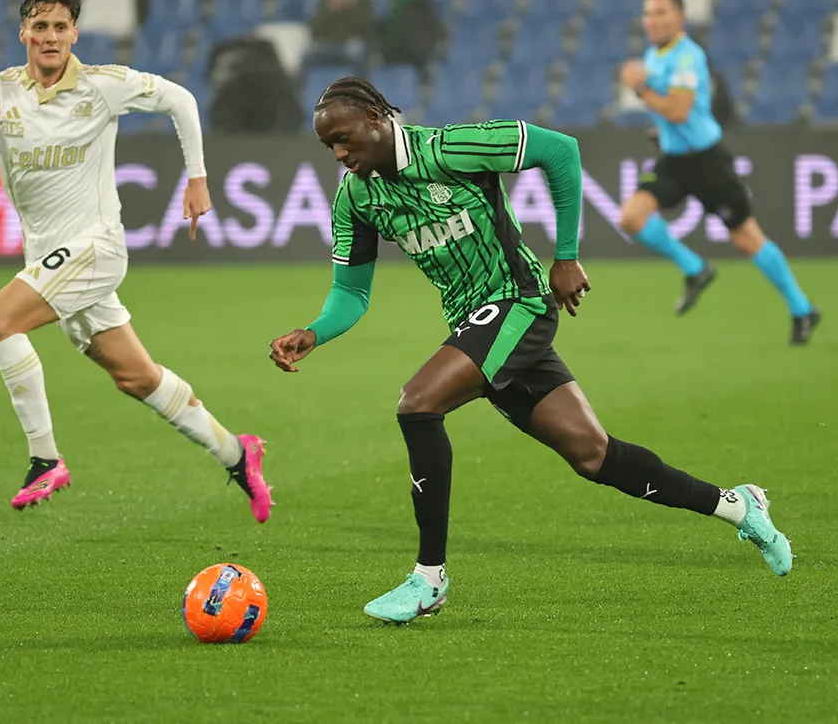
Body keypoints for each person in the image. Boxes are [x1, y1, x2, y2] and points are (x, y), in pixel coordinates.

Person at [268, 77, 793, 623]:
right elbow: (351, 293)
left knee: (417, 403)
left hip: (516, 304)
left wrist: (565, 255)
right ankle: (739, 507)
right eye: (329, 146)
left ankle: (429, 579)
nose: (340, 153)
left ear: (377, 115)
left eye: (345, 137)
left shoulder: (450, 148)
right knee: (594, 455)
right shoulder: (357, 196)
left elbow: (560, 151)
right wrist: (314, 331)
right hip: (479, 326)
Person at [0, 0, 274, 519]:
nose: (50, 37)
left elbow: (181, 100)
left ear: (75, 33)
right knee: (136, 377)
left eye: (60, 27)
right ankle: (238, 454)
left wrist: (198, 179)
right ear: (23, 32)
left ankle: (45, 459)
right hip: (49, 263)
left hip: (95, 248)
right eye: (40, 26)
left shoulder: (102, 86)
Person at [618, 0, 820, 343]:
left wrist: (640, 89)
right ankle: (696, 269)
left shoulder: (687, 57)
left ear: (679, 19)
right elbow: (674, 114)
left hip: (707, 160)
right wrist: (658, 127)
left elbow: (679, 110)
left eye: (661, 12)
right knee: (631, 217)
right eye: (648, 13)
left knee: (746, 238)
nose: (652, 20)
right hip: (674, 161)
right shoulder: (654, 54)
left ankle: (802, 309)